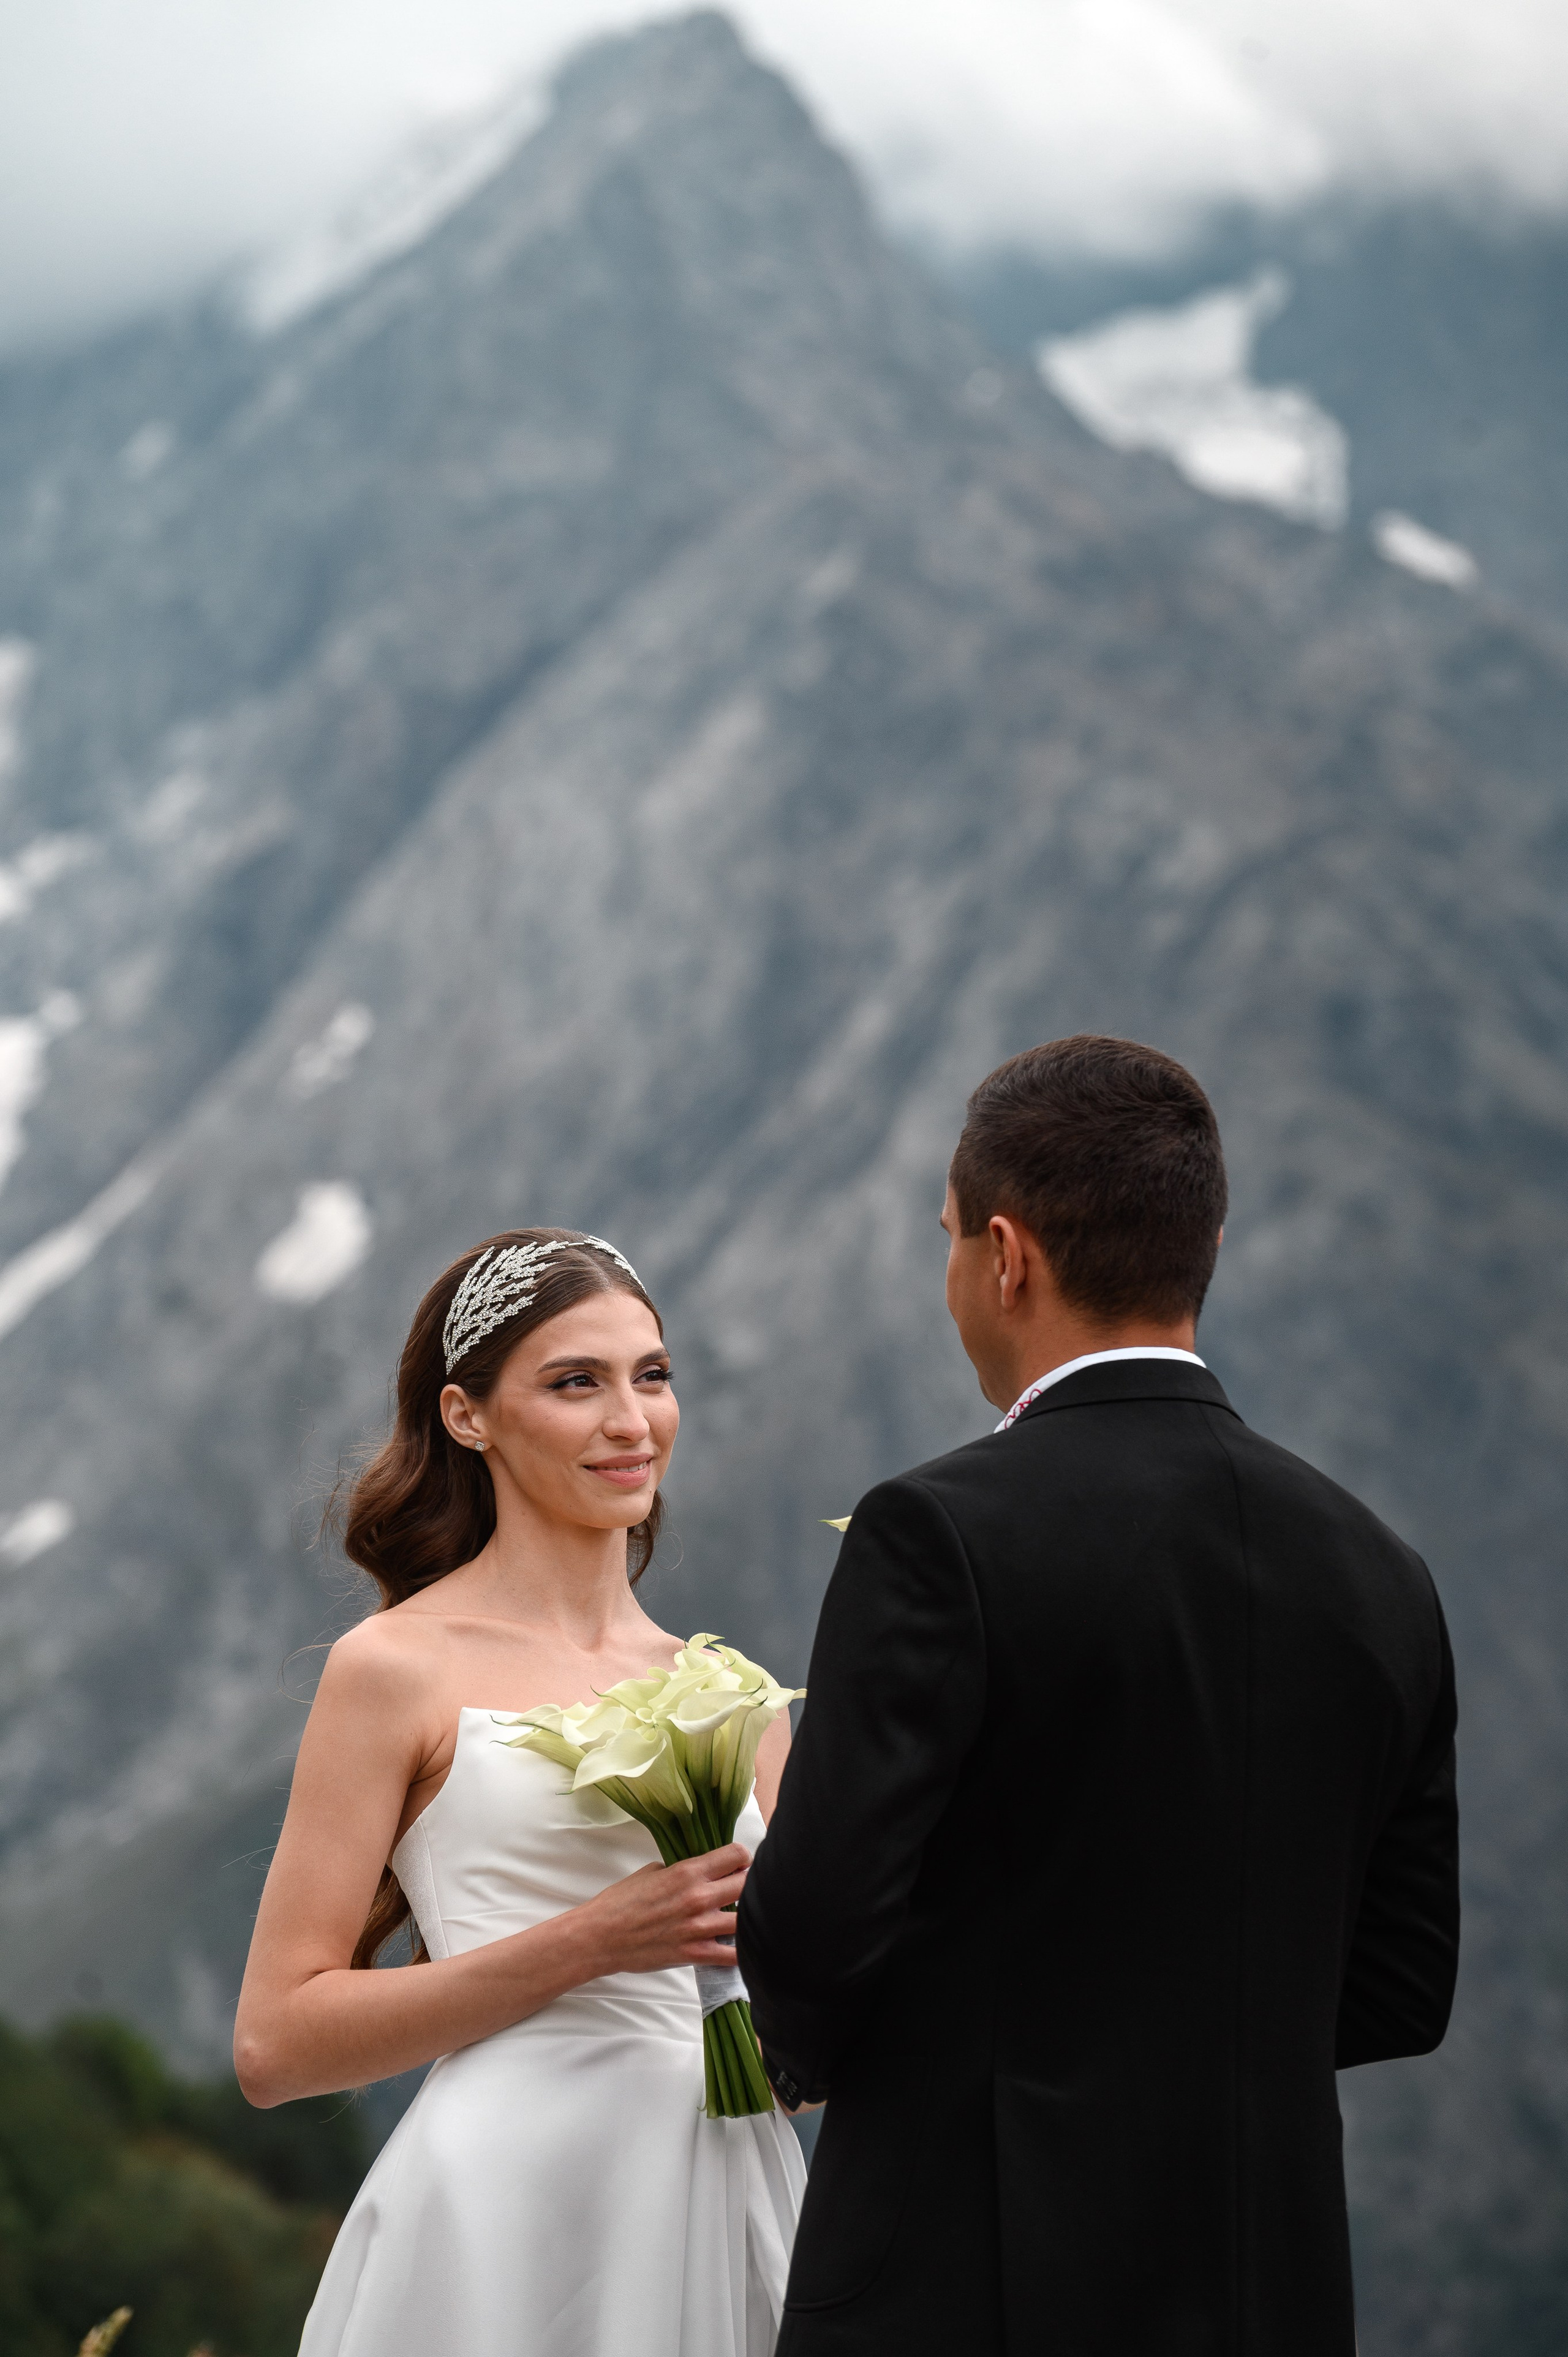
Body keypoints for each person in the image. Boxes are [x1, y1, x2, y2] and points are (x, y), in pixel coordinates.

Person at [737, 1035, 1459, 2356]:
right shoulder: (1383, 1571)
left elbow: (813, 1931)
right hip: (1269, 2287)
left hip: (970, 2278)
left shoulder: (936, 1533)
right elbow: (1404, 1984)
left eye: (950, 1239)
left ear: (1005, 1256)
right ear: (1206, 1246)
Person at [235, 1228, 805, 2356]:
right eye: (576, 1383)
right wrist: (591, 1942)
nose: (631, 1420)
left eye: (652, 1376)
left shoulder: (736, 1697)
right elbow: (275, 2043)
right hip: (498, 2220)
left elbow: (804, 2059)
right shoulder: (394, 1669)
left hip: (723, 2198)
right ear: (468, 1416)